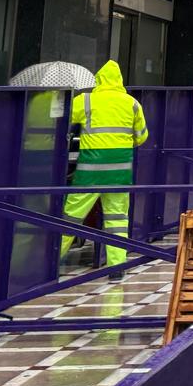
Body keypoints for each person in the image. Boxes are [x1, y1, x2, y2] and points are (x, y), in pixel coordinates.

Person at [61, 60, 148, 281]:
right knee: (117, 219)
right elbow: (142, 136)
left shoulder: (86, 100)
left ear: (99, 80)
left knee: (70, 217)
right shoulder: (132, 104)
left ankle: (52, 262)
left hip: (90, 171)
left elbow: (63, 120)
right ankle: (116, 268)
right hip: (120, 171)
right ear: (119, 80)